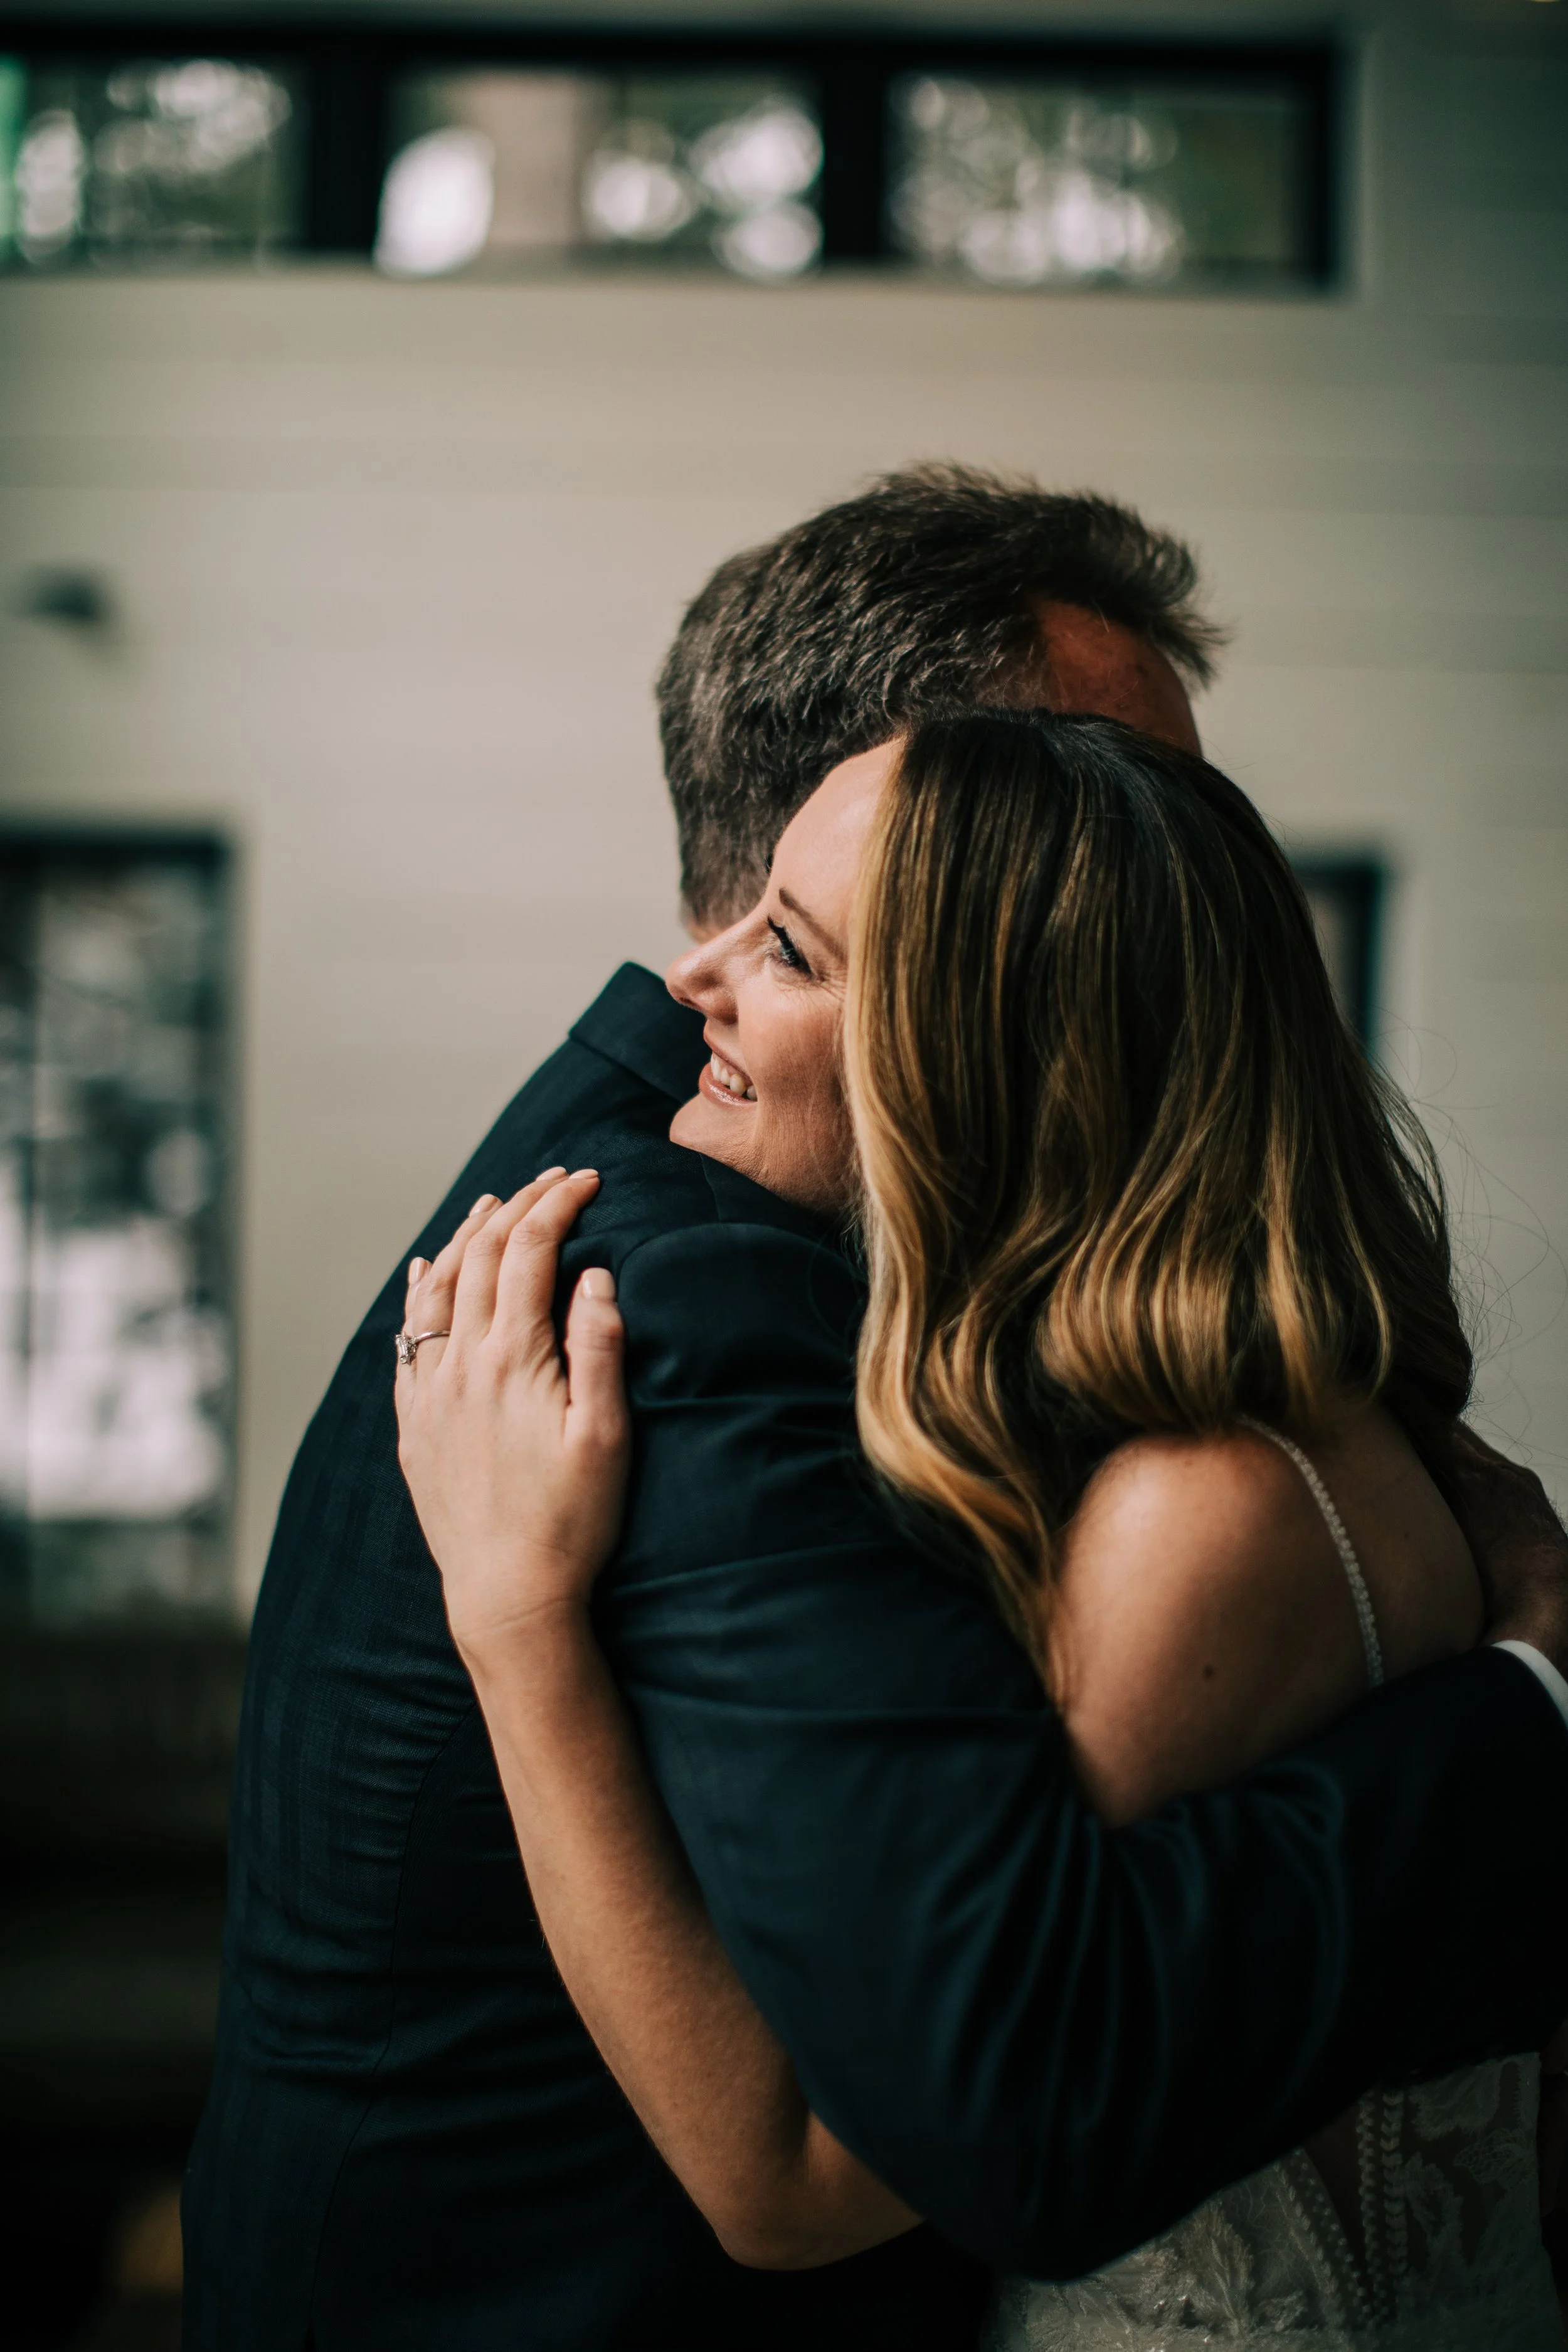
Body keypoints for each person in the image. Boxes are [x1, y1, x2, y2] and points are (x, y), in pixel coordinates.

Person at [182, 470, 1568, 2351]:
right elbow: (946, 2111)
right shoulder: (690, 1289)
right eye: (1091, 792)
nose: (1151, 864)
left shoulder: (1135, 1426)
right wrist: (1531, 1701)